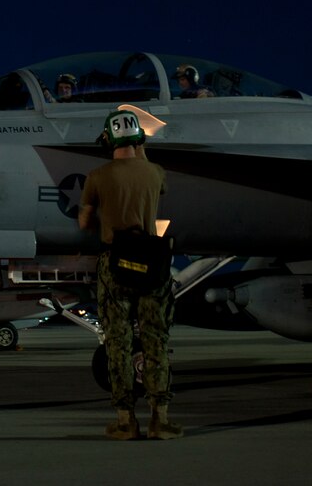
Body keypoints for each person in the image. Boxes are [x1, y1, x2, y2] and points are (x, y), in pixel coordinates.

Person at [79, 110, 181, 440]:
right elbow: (161, 186)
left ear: (108, 139)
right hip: (152, 260)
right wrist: (143, 147)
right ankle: (160, 420)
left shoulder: (97, 176)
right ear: (137, 139)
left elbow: (83, 223)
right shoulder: (155, 173)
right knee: (156, 342)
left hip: (115, 262)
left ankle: (125, 422)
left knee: (119, 344)